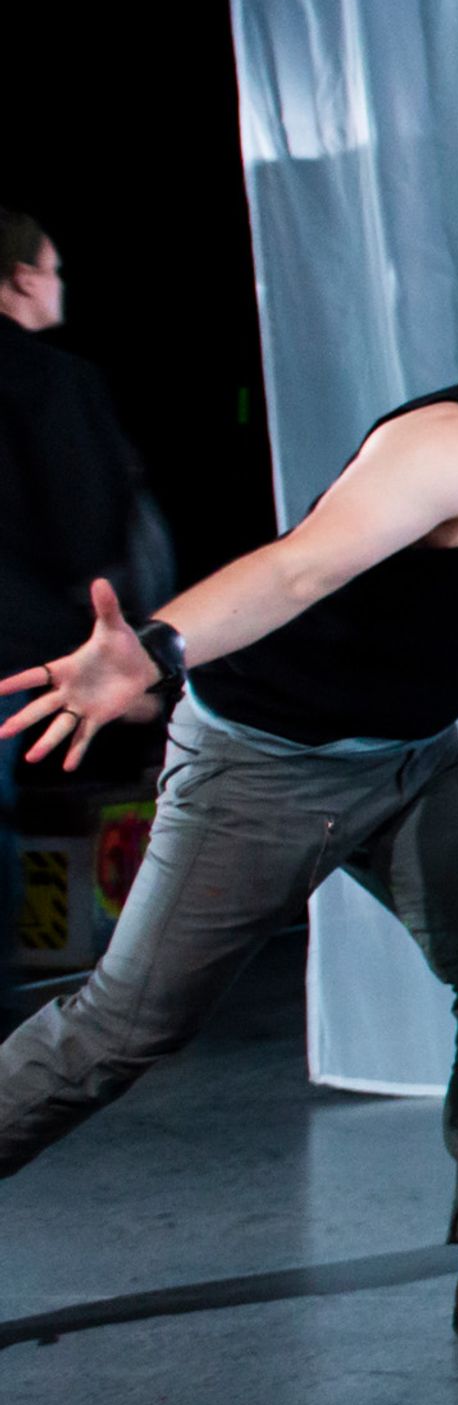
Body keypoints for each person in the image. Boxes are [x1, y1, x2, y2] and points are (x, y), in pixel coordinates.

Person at [0, 217, 458, 1351]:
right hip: (262, 761)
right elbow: (304, 562)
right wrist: (155, 646)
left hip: (408, 763)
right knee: (121, 1032)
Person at [1, 207, 159, 907]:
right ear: (23, 279)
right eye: (54, 271)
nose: (60, 286)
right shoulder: (51, 380)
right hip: (19, 643)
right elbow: (83, 526)